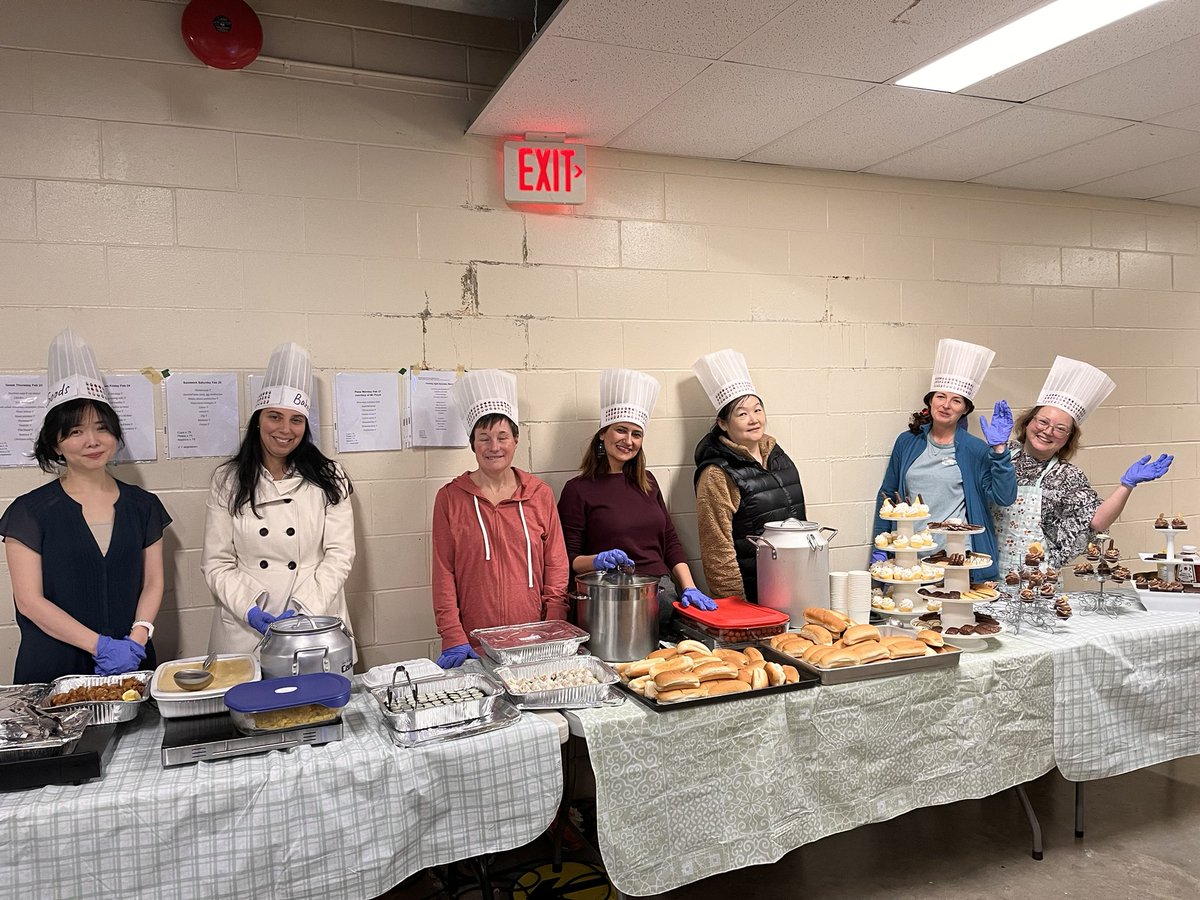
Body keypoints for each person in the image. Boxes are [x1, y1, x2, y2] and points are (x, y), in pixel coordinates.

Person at [0, 329, 170, 682]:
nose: (92, 441)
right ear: (56, 443)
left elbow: (153, 581)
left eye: (101, 428)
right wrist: (100, 646)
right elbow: (29, 601)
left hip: (132, 659)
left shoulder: (143, 506)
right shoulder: (28, 513)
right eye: (75, 431)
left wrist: (138, 637)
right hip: (54, 665)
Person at [202, 342, 356, 656]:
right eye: (275, 417)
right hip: (246, 627)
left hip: (315, 616)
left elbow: (340, 555)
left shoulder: (330, 476)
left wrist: (304, 609)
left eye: (296, 420)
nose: (285, 429)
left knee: (319, 705)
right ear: (259, 419)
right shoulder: (227, 479)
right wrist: (250, 609)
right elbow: (215, 563)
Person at [432, 369, 569, 668]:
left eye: (502, 436)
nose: (494, 447)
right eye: (484, 438)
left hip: (536, 639)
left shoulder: (539, 494)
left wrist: (555, 621)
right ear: (473, 444)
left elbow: (557, 563)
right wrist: (452, 634)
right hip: (475, 643)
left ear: (516, 440)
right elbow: (443, 572)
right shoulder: (449, 498)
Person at [558, 369, 715, 626]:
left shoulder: (648, 482)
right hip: (611, 604)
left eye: (636, 434)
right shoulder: (578, 490)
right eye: (621, 430)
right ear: (603, 433)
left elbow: (670, 542)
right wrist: (597, 560)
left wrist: (689, 587)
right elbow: (567, 560)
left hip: (661, 597)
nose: (628, 441)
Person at [994, 356, 1172, 572]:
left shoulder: (1068, 475)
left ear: (1068, 438)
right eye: (1042, 421)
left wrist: (1127, 485)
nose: (1048, 431)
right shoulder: (999, 455)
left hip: (1038, 579)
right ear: (1028, 421)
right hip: (985, 568)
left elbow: (1097, 521)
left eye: (1060, 428)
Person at [872, 339, 1016, 582]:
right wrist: (880, 547)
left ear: (965, 409)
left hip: (956, 560)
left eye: (956, 400)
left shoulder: (975, 449)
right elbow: (887, 494)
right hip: (911, 555)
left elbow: (1004, 497)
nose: (946, 405)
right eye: (941, 396)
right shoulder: (907, 442)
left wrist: (1000, 452)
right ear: (930, 401)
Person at [693, 349, 806, 603]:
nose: (753, 419)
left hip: (792, 591)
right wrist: (737, 609)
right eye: (742, 413)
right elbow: (717, 552)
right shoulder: (716, 474)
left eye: (757, 410)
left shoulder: (778, 456)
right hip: (751, 599)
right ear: (723, 423)